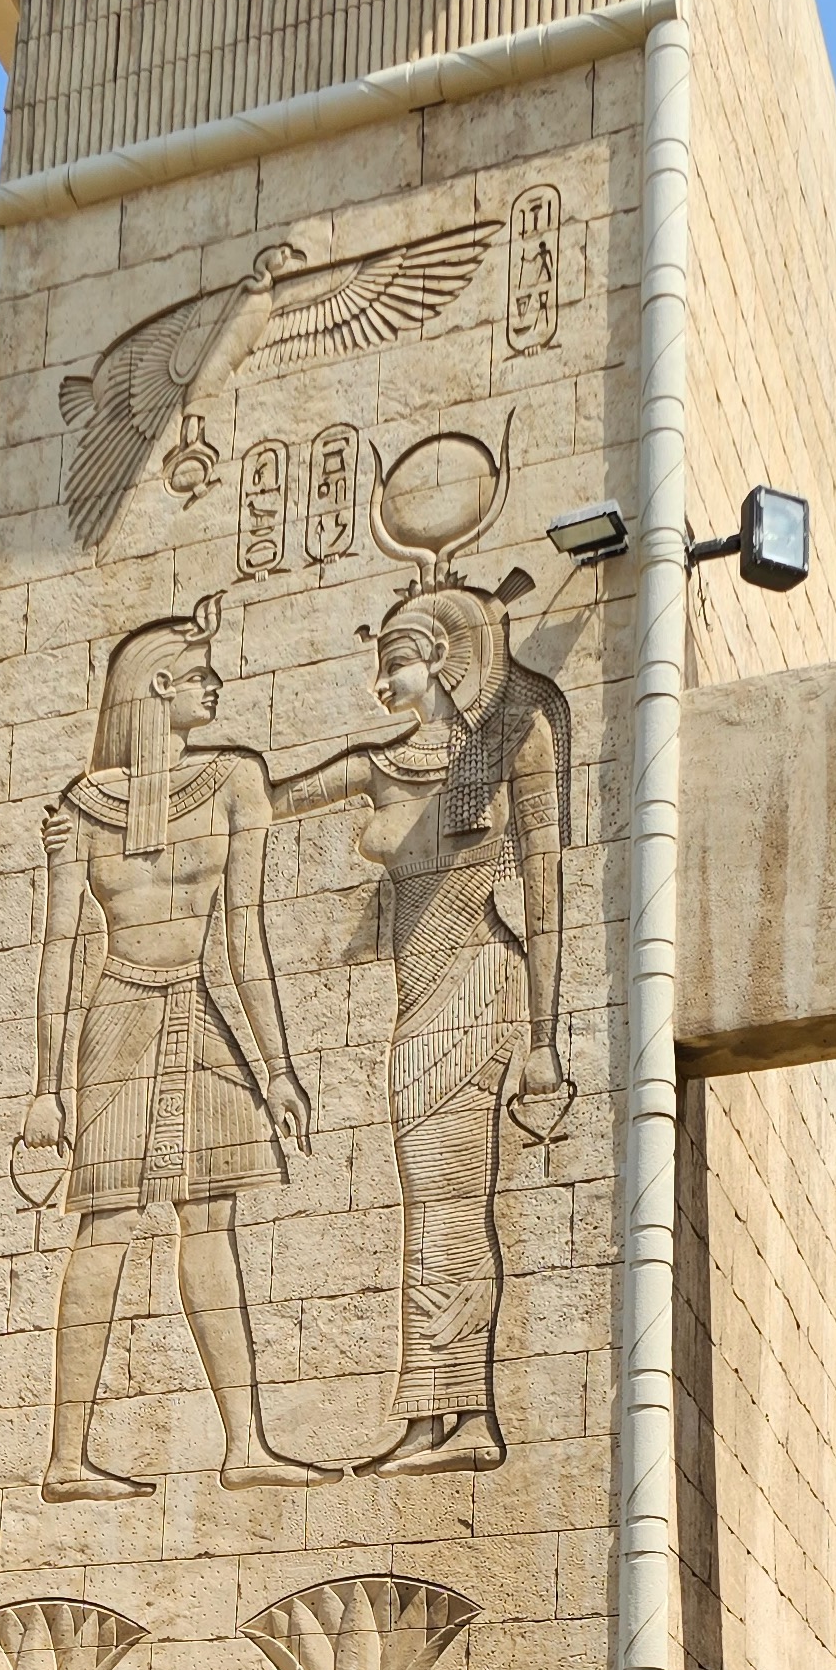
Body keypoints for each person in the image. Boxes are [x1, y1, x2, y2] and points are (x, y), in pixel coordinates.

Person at [16, 596, 330, 1500]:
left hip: (197, 1008)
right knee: (106, 1223)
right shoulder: (81, 809)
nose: (215, 686)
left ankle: (245, 1443)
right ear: (157, 688)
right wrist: (47, 1089)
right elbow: (59, 953)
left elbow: (245, 937)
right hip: (117, 1014)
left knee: (212, 1217)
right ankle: (66, 1458)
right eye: (199, 675)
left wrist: (277, 1069)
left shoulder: (235, 779)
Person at [270, 578, 570, 1474]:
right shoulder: (380, 764)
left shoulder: (516, 738)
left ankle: (467, 1416)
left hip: (479, 983)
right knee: (424, 1208)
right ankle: (428, 1414)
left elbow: (546, 891)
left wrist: (545, 1040)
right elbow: (277, 798)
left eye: (394, 664)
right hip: (418, 1003)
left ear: (440, 658)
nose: (380, 685)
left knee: (452, 1203)